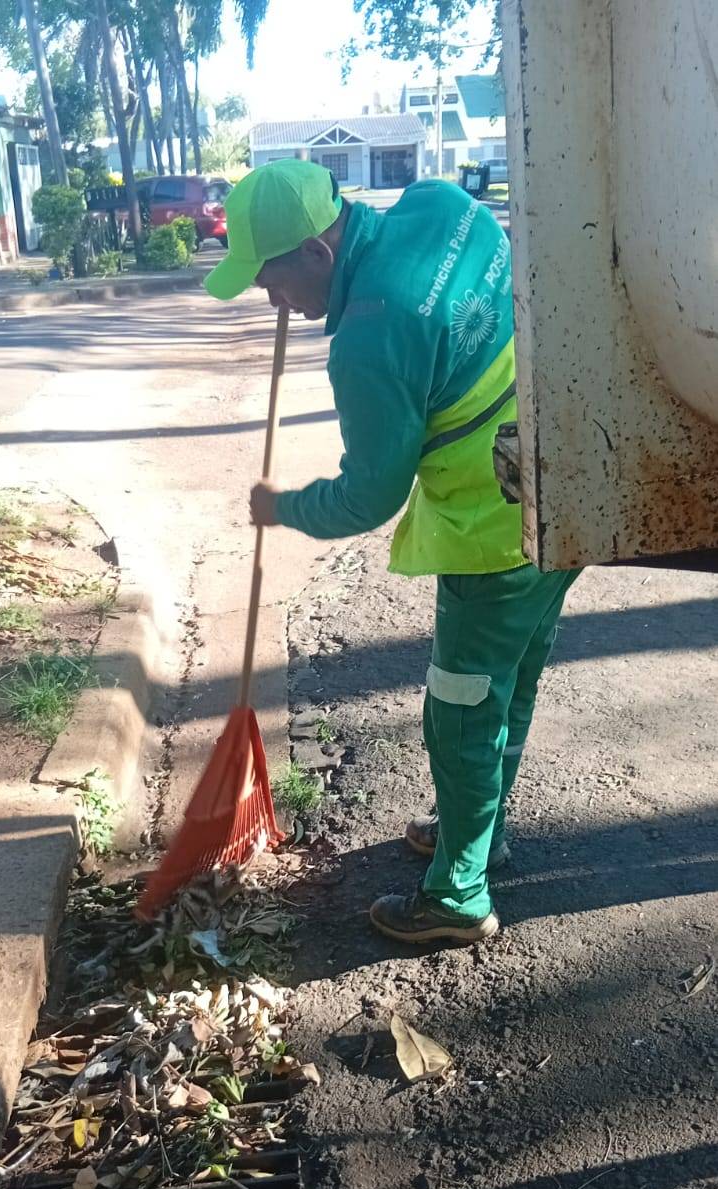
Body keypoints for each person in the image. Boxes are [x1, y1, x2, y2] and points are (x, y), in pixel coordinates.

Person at [205, 160, 580, 948]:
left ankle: (459, 895)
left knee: (461, 711)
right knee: (510, 683)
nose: (274, 302)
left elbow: (369, 496)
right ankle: (481, 833)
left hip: (494, 532)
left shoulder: (370, 337)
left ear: (317, 252)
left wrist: (282, 507)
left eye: (272, 281)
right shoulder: (440, 203)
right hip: (570, 486)